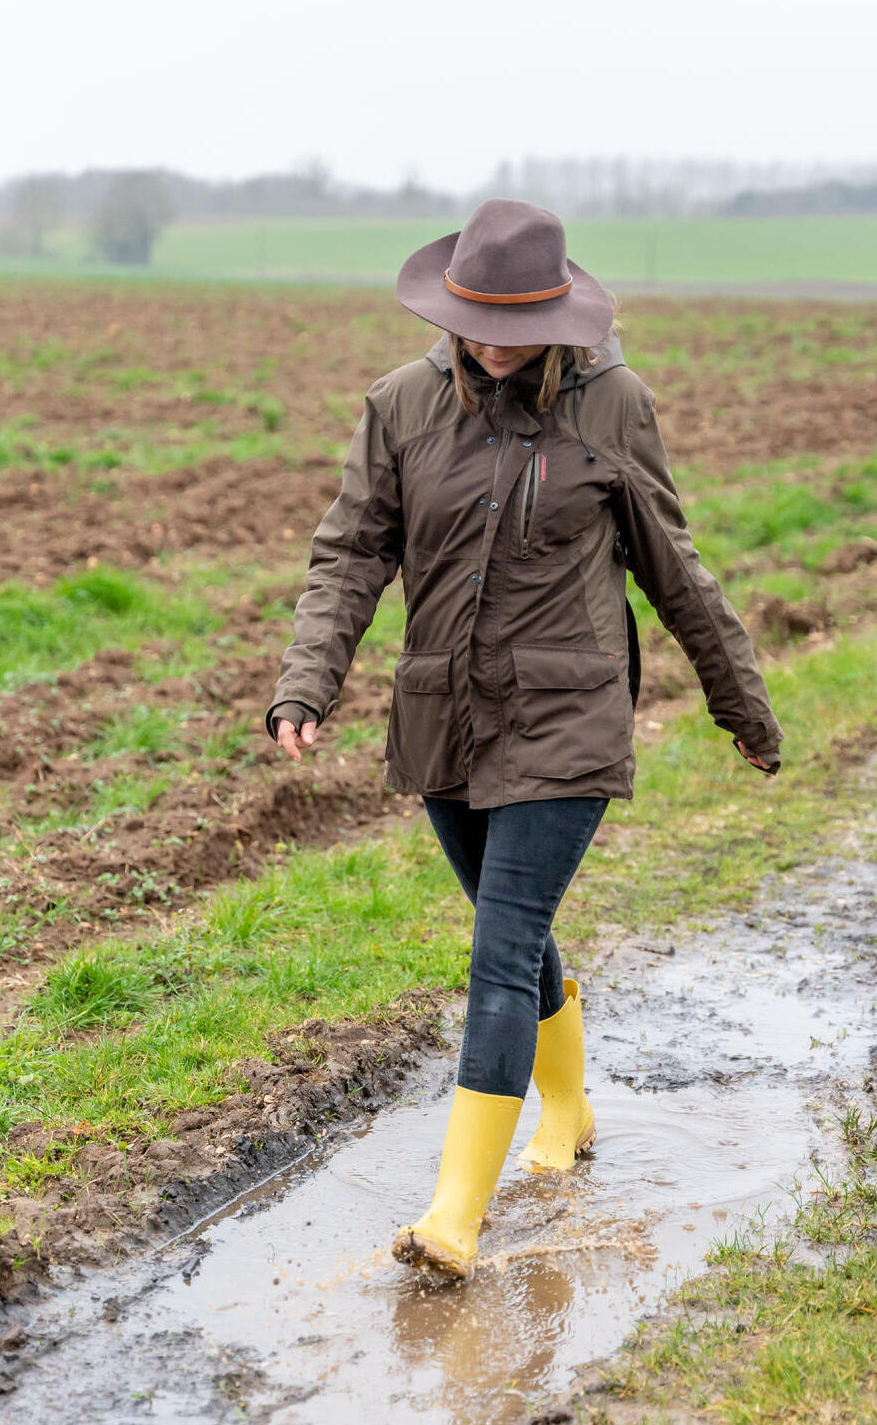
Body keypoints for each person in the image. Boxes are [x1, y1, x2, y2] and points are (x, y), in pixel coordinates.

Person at [266, 199, 782, 1282]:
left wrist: (740, 703)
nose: (490, 340)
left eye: (512, 321)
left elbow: (671, 565)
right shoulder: (401, 405)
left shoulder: (612, 408)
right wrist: (305, 683)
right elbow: (350, 553)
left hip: (567, 711)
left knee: (497, 947)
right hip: (443, 714)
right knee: (517, 925)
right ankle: (567, 1105)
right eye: (474, 317)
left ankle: (452, 1214)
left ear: (556, 315)